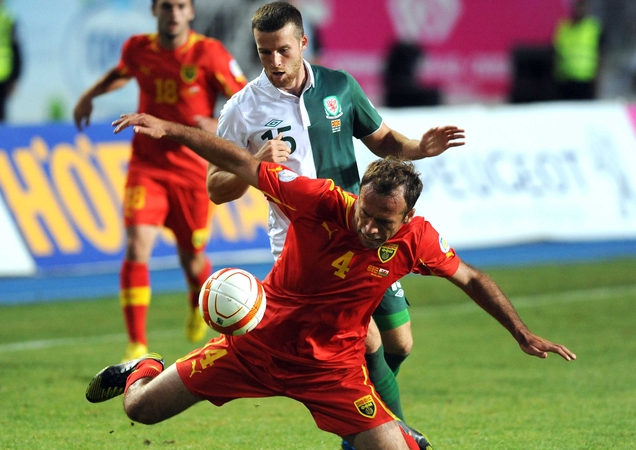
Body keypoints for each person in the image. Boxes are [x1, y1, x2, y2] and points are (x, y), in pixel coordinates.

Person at [86, 112, 576, 450]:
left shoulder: (417, 241)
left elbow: (471, 278)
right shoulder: (320, 200)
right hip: (255, 345)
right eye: (366, 211)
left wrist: (521, 332)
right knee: (141, 410)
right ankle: (142, 366)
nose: (369, 226)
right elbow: (240, 163)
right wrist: (170, 129)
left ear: (407, 217)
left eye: (385, 222)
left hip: (333, 373)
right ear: (358, 195)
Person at [205, 2, 464, 445]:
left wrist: (419, 147)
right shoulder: (241, 109)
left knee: (399, 343)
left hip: (363, 231)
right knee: (362, 341)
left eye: (283, 50)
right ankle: (395, 435)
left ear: (303, 43)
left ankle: (357, 429)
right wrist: (253, 164)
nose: (274, 62)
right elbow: (215, 186)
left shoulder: (339, 87)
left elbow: (383, 142)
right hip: (303, 245)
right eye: (264, 53)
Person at [72, 0, 247, 362]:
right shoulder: (139, 48)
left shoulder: (208, 53)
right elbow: (123, 71)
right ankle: (136, 344)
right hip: (147, 166)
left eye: (181, 6)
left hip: (192, 169)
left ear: (191, 12)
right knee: (137, 245)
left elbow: (244, 100)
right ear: (155, 10)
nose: (173, 13)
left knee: (192, 258)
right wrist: (90, 95)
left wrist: (217, 126)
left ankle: (196, 300)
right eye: (166, 6)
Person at [553, 0, 603, 100]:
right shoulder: (563, 27)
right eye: (576, 5)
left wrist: (598, 81)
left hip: (586, 82)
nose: (579, 9)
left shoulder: (593, 28)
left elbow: (601, 56)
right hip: (565, 82)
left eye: (582, 5)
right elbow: (555, 54)